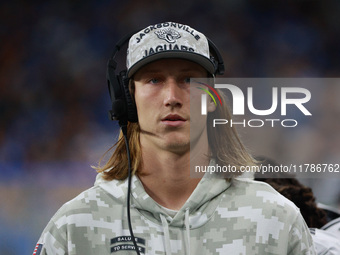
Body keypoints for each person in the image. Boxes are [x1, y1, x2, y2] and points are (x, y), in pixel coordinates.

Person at [33, 21, 315, 255]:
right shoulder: (75, 224)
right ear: (127, 99)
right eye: (154, 80)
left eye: (189, 80)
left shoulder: (275, 217)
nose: (172, 98)